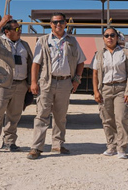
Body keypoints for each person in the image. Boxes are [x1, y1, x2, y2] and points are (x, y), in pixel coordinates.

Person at [27, 12, 86, 160]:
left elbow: (81, 61)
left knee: (61, 116)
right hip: (47, 82)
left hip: (65, 82)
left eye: (60, 22)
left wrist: (76, 80)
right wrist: (34, 82)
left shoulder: (72, 41)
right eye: (54, 22)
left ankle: (57, 145)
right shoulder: (43, 41)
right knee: (42, 114)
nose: (57, 25)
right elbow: (36, 63)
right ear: (50, 24)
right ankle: (36, 147)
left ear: (65, 23)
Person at [0, 15, 33, 153]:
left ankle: (9, 142)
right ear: (7, 31)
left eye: (20, 28)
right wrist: (1, 23)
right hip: (2, 84)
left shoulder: (24, 45)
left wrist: (29, 83)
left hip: (20, 84)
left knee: (14, 115)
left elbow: (30, 64)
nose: (19, 30)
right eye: (16, 28)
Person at [92, 27, 128, 159]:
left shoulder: (125, 53)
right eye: (106, 35)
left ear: (117, 37)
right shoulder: (99, 54)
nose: (109, 38)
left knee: (121, 118)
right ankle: (111, 146)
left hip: (121, 89)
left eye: (112, 35)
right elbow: (95, 74)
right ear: (103, 38)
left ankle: (121, 148)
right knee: (107, 119)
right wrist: (96, 91)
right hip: (105, 89)